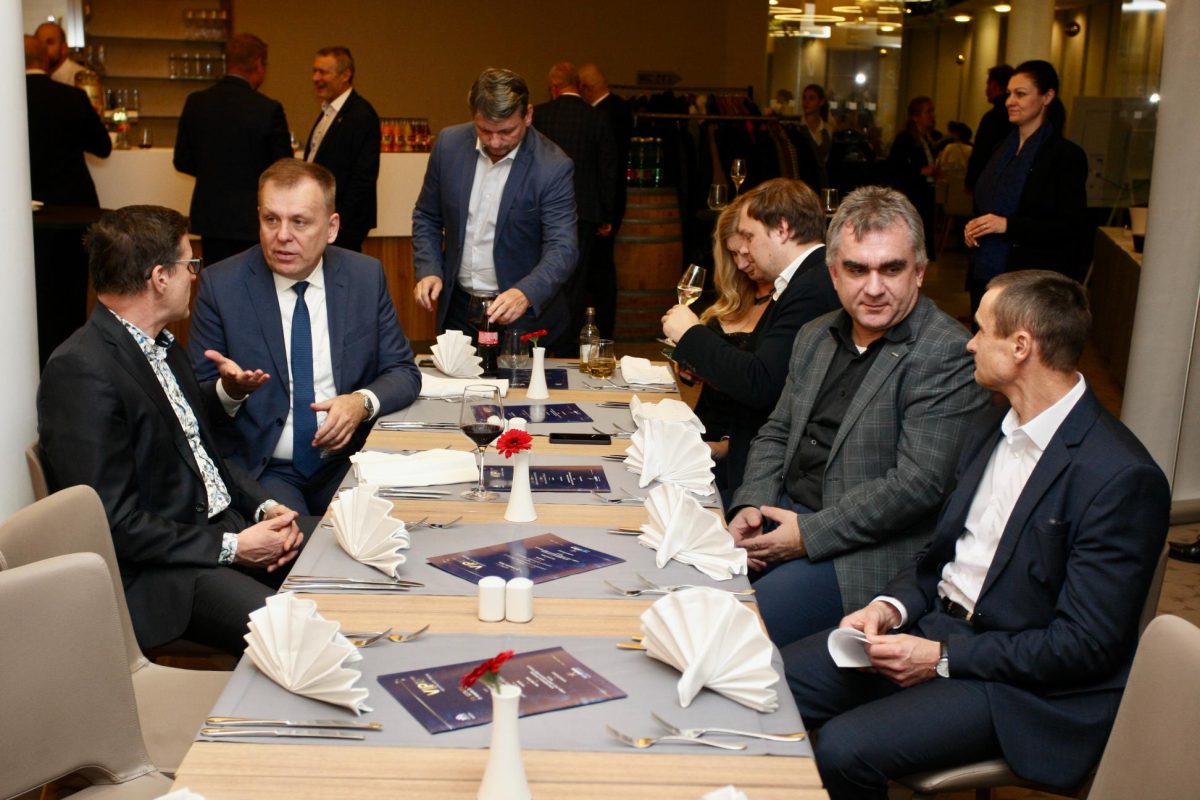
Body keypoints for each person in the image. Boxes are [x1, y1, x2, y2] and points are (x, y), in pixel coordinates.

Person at [783, 270, 1170, 800]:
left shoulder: (1120, 477)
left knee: (843, 747)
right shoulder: (991, 424)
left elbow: (1084, 647)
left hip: (1018, 686)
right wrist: (889, 607)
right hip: (936, 629)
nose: (969, 343)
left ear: (1020, 346)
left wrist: (941, 657)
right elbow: (941, 555)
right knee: (770, 680)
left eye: (982, 329)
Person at [727, 185, 989, 648]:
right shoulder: (814, 335)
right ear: (833, 273)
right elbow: (777, 431)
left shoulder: (946, 352)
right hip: (781, 518)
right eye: (856, 269)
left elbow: (918, 483)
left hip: (861, 553)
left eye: (891, 268)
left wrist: (806, 534)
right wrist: (751, 504)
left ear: (919, 272)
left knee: (736, 629)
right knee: (680, 590)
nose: (873, 288)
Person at [37, 205, 304, 656]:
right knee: (295, 633)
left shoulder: (162, 344)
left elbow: (205, 456)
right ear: (160, 277)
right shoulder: (81, 370)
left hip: (218, 531)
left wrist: (266, 508)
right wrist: (233, 547)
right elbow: (114, 524)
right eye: (189, 264)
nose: (194, 277)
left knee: (338, 550)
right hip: (164, 575)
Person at [188, 159, 421, 516]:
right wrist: (229, 391)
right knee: (295, 540)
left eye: (299, 222)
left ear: (331, 228)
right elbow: (193, 403)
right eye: (271, 220)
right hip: (268, 469)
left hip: (348, 460)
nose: (282, 235)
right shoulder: (222, 286)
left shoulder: (363, 276)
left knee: (380, 530)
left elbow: (403, 372)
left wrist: (359, 403)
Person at [663, 179, 840, 501]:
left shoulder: (811, 287)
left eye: (749, 236)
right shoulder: (799, 280)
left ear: (782, 229)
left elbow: (762, 382)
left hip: (773, 479)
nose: (744, 249)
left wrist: (691, 334)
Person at [412, 67, 578, 349]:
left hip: (521, 315)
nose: (495, 142)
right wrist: (429, 268)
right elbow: (427, 215)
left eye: (506, 131)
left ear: (528, 115)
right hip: (459, 308)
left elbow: (563, 247)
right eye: (484, 131)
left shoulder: (552, 166)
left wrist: (525, 293)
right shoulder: (449, 146)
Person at [965, 60, 1090, 312]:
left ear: (1047, 97)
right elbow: (986, 204)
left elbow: (1071, 229)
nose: (1010, 101)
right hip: (986, 273)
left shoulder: (1065, 156)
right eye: (1009, 93)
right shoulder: (1001, 150)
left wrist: (1007, 226)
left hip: (1033, 285)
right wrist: (975, 225)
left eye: (1020, 94)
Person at [174, 33, 293, 266]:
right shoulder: (267, 109)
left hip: (211, 216)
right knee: (255, 279)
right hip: (253, 216)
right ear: (258, 63)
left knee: (216, 279)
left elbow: (182, 160)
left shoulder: (197, 102)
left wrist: (213, 172)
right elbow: (283, 167)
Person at [533, 62, 617, 348]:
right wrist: (606, 214)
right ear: (579, 86)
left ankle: (542, 337)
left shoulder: (540, 116)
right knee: (577, 280)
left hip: (542, 210)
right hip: (586, 210)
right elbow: (608, 169)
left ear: (554, 87)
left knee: (543, 271)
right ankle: (567, 342)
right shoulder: (596, 117)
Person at [303, 45, 380, 252]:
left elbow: (363, 178)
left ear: (346, 75)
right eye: (314, 71)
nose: (316, 78)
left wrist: (338, 222)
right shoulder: (328, 111)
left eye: (323, 72)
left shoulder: (361, 115)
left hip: (342, 227)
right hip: (322, 218)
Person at [24, 35, 110, 207]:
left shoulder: (7, 98)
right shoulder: (74, 97)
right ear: (46, 61)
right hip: (73, 201)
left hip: (25, 200)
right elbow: (102, 147)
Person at [579, 63, 632, 339]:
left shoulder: (603, 115)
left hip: (602, 205)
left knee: (599, 273)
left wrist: (605, 213)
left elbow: (607, 167)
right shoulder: (621, 109)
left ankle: (599, 329)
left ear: (587, 88)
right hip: (610, 201)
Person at [887, 96, 939, 261]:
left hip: (924, 194)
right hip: (912, 195)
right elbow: (895, 166)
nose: (932, 116)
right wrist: (921, 171)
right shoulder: (905, 138)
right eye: (928, 112)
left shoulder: (926, 138)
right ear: (916, 116)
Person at [965, 64, 1014, 192]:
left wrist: (971, 182)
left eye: (988, 84)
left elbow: (981, 152)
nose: (986, 89)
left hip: (989, 182)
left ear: (994, 85)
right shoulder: (1017, 116)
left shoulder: (992, 117)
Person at [34, 21, 83, 86]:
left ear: (64, 48)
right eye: (39, 43)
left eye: (49, 43)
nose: (42, 47)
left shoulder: (79, 78)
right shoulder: (35, 78)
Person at [800, 83, 832, 165]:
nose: (806, 102)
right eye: (804, 98)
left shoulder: (827, 129)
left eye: (811, 98)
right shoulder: (797, 127)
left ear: (821, 102)